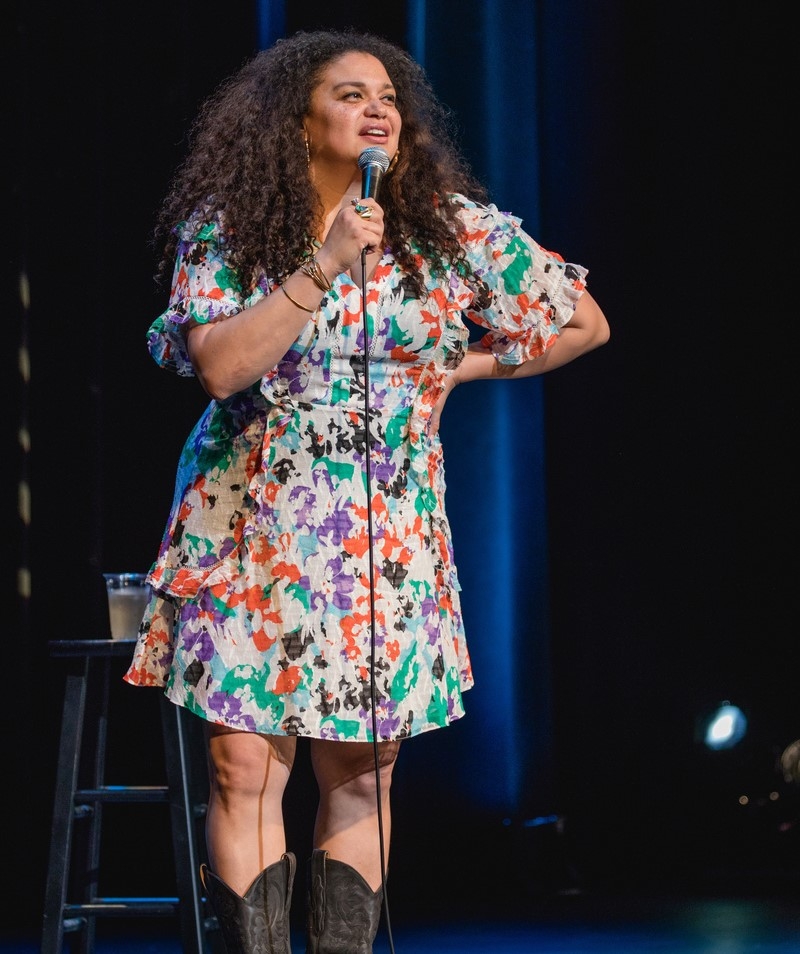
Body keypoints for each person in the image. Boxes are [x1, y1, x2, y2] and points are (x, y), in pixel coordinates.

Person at [123, 27, 609, 954]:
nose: (378, 107)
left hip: (385, 531)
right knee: (244, 768)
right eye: (349, 94)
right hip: (254, 522)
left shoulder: (448, 225)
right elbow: (222, 367)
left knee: (363, 772)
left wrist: (452, 371)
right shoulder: (232, 226)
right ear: (297, 123)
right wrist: (326, 259)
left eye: (387, 95)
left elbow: (581, 323)